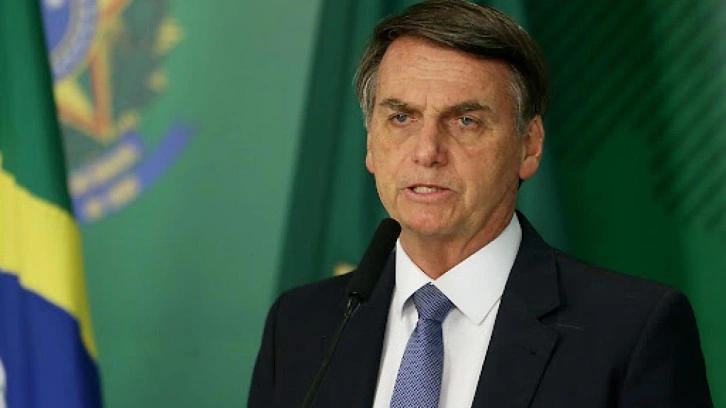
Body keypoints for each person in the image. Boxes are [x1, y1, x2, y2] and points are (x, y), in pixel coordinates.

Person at [248, 0, 712, 406]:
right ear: (370, 143)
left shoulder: (631, 332)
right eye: (402, 117)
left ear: (529, 145)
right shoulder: (299, 326)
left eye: (465, 121)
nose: (427, 151)